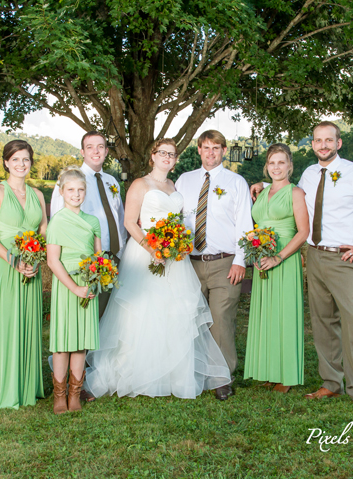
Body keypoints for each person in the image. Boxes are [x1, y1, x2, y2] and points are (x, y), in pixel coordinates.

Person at [250, 121, 353, 409]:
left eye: (329, 140)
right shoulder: (308, 173)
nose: (323, 145)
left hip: (344, 258)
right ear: (313, 144)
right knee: (322, 322)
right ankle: (331, 383)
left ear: (338, 143)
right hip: (315, 256)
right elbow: (289, 191)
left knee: (352, 322)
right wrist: (264, 184)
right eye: (318, 140)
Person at [84, 139, 231, 399]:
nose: (167, 157)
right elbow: (130, 222)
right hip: (145, 255)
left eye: (172, 154)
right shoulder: (140, 185)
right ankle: (134, 372)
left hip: (175, 257)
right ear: (153, 156)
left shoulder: (174, 186)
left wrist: (176, 244)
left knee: (173, 312)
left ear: (175, 161)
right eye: (162, 152)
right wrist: (152, 249)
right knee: (140, 313)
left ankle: (171, 374)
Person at [175, 130, 254, 400]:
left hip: (225, 262)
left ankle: (222, 377)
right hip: (189, 262)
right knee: (192, 319)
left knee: (220, 321)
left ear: (223, 151)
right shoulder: (184, 181)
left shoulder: (236, 182)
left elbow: (245, 224)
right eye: (206, 148)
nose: (211, 153)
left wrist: (241, 261)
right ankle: (193, 372)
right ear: (198, 150)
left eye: (216, 148)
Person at [0, 140, 47, 409]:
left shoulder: (37, 195)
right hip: (7, 264)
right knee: (7, 322)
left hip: (32, 266)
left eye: (25, 159)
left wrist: (37, 258)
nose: (21, 164)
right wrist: (13, 259)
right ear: (5, 162)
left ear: (31, 162)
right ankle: (4, 384)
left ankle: (27, 384)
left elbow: (44, 229)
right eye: (15, 159)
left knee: (27, 321)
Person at [244, 144, 310, 393]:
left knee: (285, 314)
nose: (276, 167)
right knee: (267, 314)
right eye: (272, 163)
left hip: (284, 259)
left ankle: (287, 375)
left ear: (290, 166)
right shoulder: (261, 192)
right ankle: (269, 370)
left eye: (281, 162)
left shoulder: (296, 193)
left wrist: (279, 258)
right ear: (266, 167)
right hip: (262, 259)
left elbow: (303, 232)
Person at [50, 131, 126, 316]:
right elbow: (59, 219)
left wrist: (121, 250)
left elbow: (120, 217)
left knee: (110, 315)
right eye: (90, 147)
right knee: (88, 313)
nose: (96, 151)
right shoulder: (70, 180)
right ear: (82, 152)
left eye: (100, 147)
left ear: (107, 151)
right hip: (86, 259)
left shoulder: (111, 181)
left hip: (114, 256)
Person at [46, 166, 103, 413]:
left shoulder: (93, 221)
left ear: (85, 192)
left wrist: (94, 280)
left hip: (87, 283)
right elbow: (52, 260)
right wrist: (74, 288)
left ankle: (75, 394)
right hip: (66, 284)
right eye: (70, 190)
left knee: (80, 342)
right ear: (61, 191)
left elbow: (99, 256)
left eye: (80, 190)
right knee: (62, 341)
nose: (76, 194)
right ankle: (59, 395)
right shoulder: (57, 220)